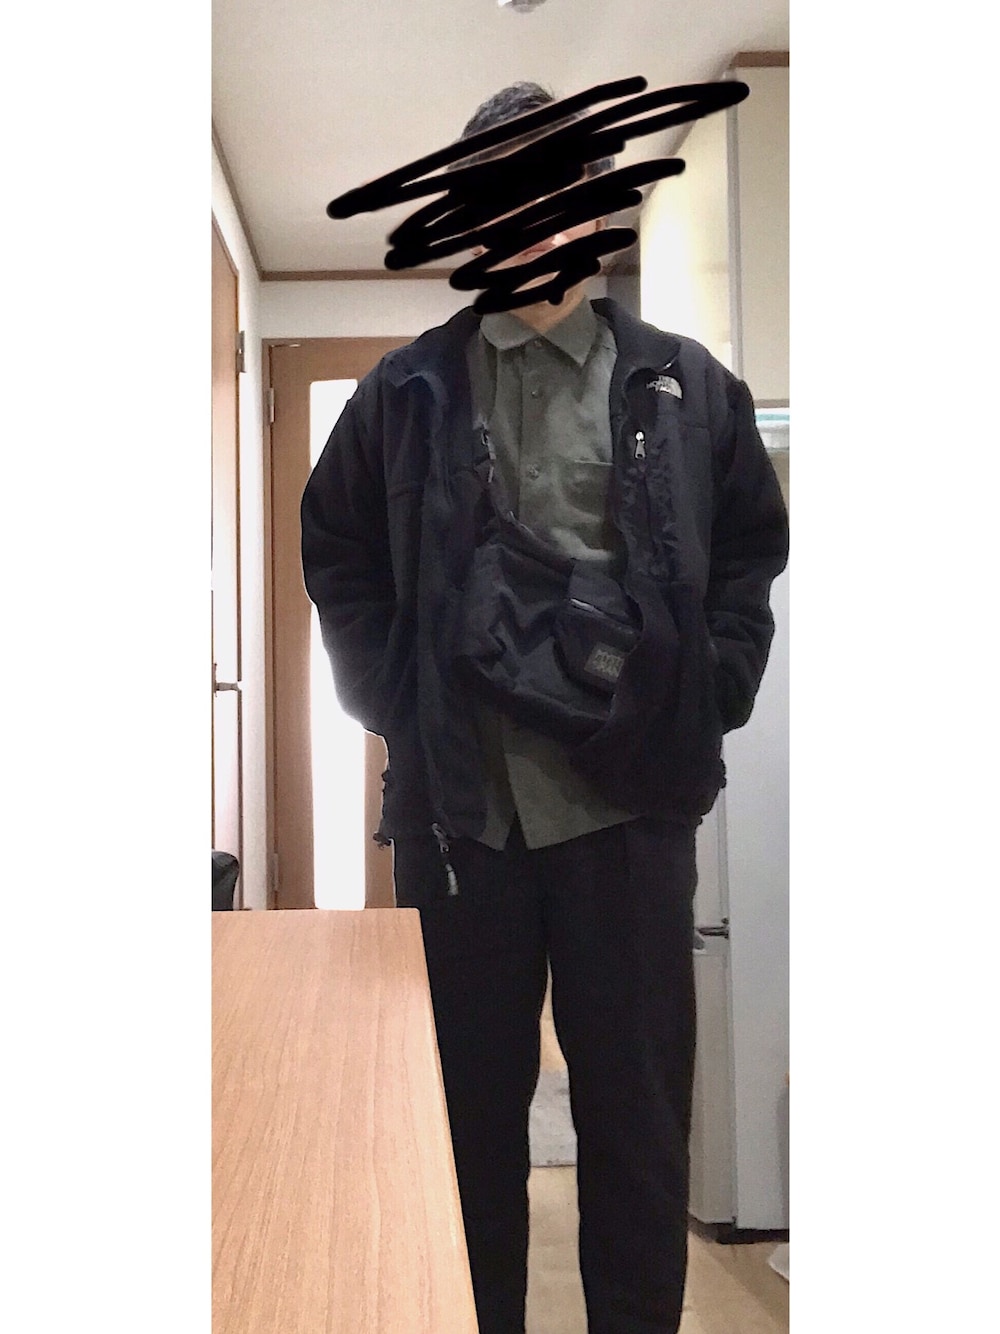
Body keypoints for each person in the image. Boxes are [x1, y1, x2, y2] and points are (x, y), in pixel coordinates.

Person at [302, 82, 789, 1334]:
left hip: (630, 814)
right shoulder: (403, 392)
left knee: (636, 1124)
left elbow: (748, 557)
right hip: (463, 822)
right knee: (465, 1128)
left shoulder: (686, 384)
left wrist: (710, 691)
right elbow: (337, 553)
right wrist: (393, 699)